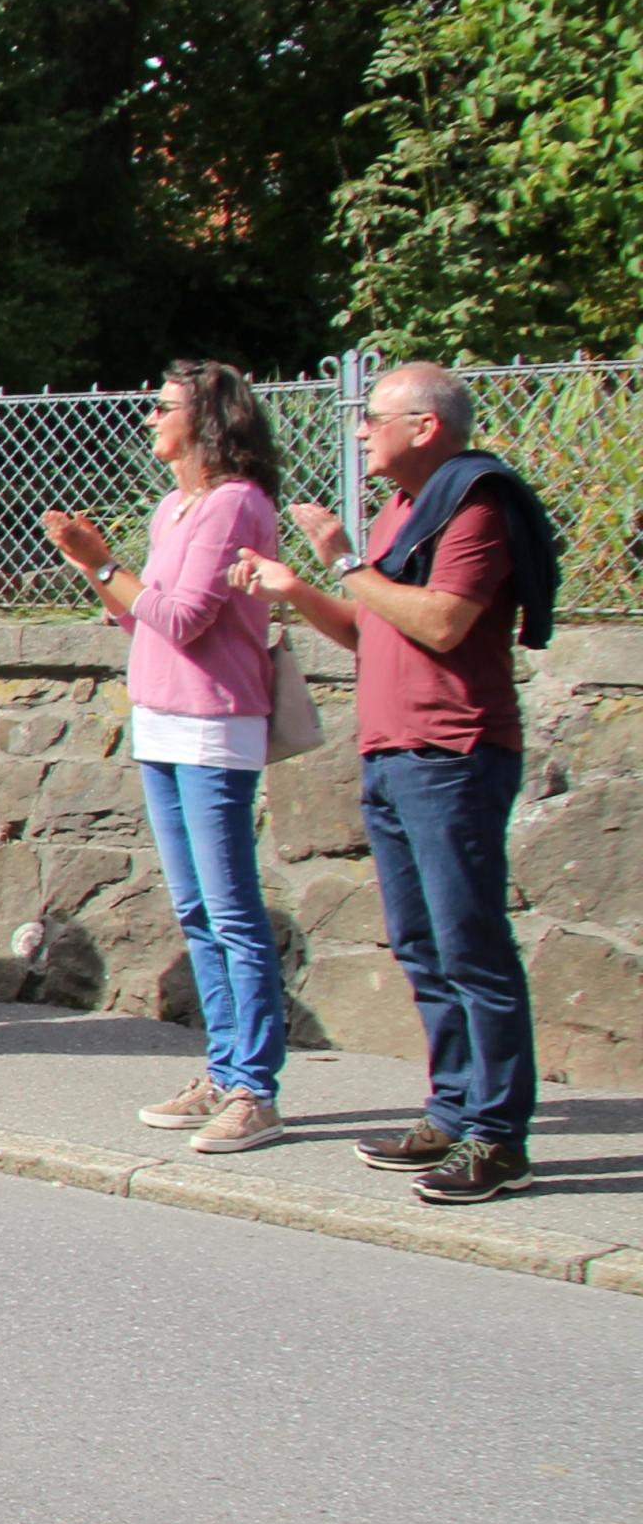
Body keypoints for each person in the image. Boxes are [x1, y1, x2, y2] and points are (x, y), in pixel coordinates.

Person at [238, 360, 561, 1206]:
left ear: (426, 426)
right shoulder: (404, 509)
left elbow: (445, 624)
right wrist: (300, 587)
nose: (359, 431)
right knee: (420, 946)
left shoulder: (475, 505)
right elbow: (371, 628)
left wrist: (344, 560)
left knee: (471, 947)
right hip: (392, 754)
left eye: (373, 417)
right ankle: (452, 1112)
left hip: (453, 754)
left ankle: (499, 1137)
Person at [41, 364, 290, 1150]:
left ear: (208, 421)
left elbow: (182, 619)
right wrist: (92, 567)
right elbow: (140, 620)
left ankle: (255, 1088)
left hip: (214, 726)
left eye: (163, 407)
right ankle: (222, 1071)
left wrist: (103, 562)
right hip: (161, 722)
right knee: (196, 912)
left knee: (232, 913)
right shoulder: (171, 508)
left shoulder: (235, 504)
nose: (149, 418)